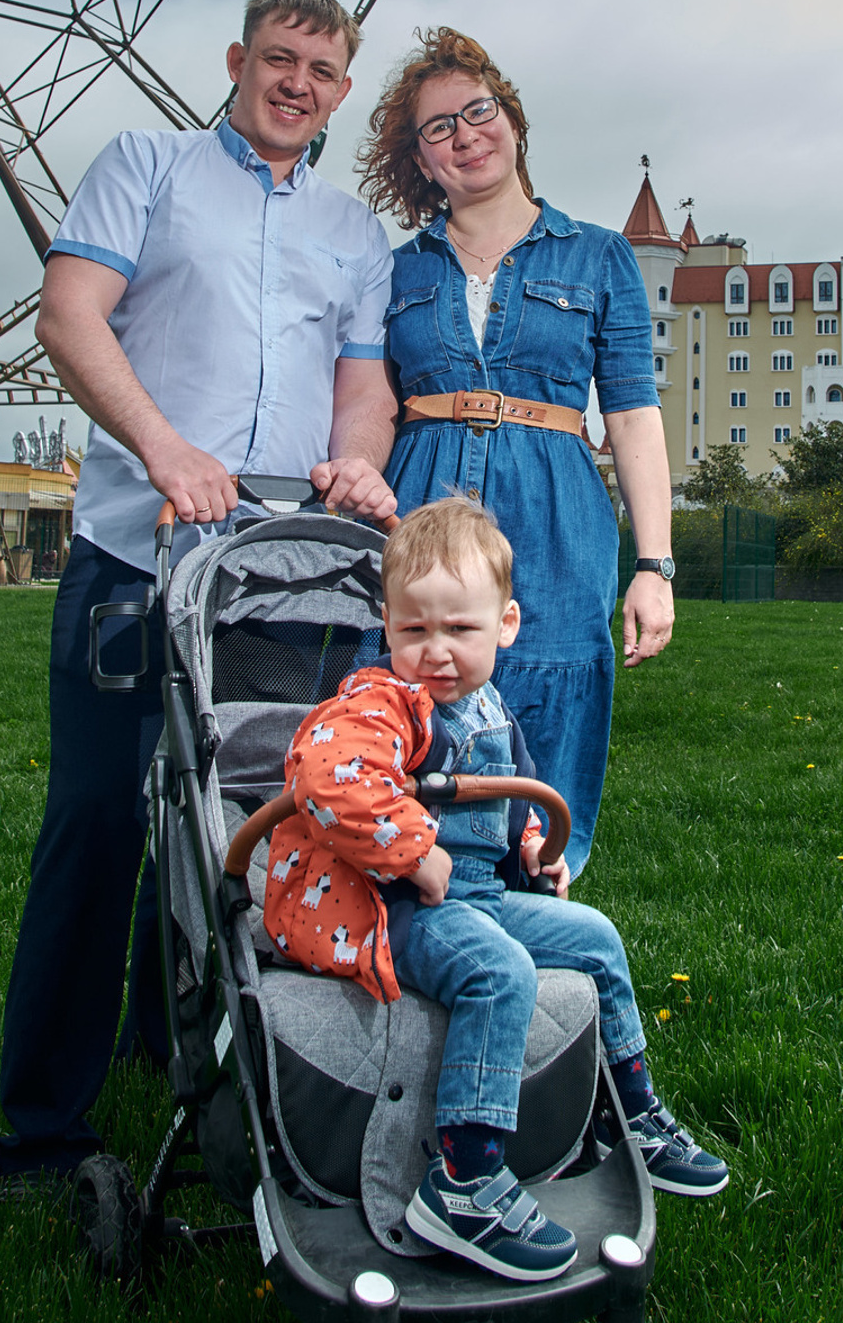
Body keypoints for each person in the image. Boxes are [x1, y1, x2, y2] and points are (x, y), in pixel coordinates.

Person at [0, 0, 400, 1187]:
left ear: (341, 89)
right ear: (237, 60)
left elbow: (362, 385)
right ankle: (42, 1125)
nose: (296, 85)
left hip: (273, 583)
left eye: (320, 72)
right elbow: (71, 315)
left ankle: (186, 1046)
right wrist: (165, 449)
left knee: (237, 822)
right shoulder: (147, 166)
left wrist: (357, 462)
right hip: (138, 554)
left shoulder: (354, 230)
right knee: (99, 822)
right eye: (279, 60)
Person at [264, 497, 727, 1283]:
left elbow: (508, 798)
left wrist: (535, 849)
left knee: (594, 937)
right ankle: (466, 1179)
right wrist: (413, 853)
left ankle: (631, 1113)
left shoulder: (488, 708)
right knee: (500, 972)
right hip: (397, 906)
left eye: (460, 629)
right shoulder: (383, 700)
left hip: (477, 896)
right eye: (415, 630)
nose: (436, 651)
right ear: (387, 626)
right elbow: (326, 775)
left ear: (505, 625)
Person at [356, 29, 675, 877]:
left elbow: (633, 417)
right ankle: (416, 900)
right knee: (409, 709)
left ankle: (538, 903)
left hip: (558, 516)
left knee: (555, 701)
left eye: (478, 111)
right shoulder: (393, 271)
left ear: (512, 120)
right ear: (421, 160)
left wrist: (655, 565)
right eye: (439, 128)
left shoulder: (599, 255)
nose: (465, 135)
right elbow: (369, 403)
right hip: (419, 504)